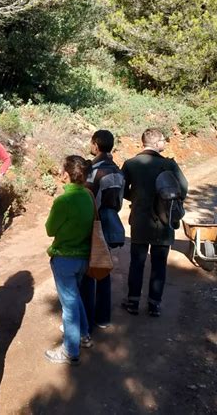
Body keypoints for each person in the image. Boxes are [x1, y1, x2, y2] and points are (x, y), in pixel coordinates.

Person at [121, 128, 188, 317]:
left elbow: (121, 189)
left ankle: (133, 302)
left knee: (137, 263)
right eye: (163, 140)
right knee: (159, 265)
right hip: (164, 222)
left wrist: (135, 197)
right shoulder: (168, 164)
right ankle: (154, 305)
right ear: (157, 143)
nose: (165, 143)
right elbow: (183, 188)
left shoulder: (131, 164)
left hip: (140, 221)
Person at [45, 155, 94, 366]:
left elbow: (50, 229)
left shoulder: (63, 200)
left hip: (65, 257)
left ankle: (70, 350)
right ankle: (84, 335)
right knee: (75, 298)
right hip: (84, 257)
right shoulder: (89, 195)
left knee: (69, 306)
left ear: (66, 174)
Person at [81, 130, 125, 331]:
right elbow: (119, 201)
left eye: (92, 143)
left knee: (90, 271)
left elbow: (88, 199)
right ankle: (103, 317)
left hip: (94, 223)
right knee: (104, 268)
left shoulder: (94, 170)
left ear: (96, 145)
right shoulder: (118, 171)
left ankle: (87, 320)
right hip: (111, 221)